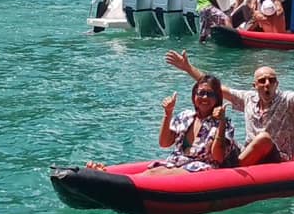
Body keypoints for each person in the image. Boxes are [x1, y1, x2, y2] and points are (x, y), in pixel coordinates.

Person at [165, 48, 294, 165]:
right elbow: (215, 88)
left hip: (277, 157)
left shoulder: (288, 100)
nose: (267, 84)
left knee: (263, 138)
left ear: (277, 84)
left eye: (271, 80)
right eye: (262, 81)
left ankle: (230, 169)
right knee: (227, 141)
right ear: (254, 85)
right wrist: (189, 68)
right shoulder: (248, 99)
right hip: (249, 155)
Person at [87, 75, 240, 174]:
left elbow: (218, 157)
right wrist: (168, 114)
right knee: (153, 172)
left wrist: (220, 123)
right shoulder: (185, 116)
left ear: (217, 99)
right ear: (194, 97)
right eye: (201, 93)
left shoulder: (223, 124)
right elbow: (164, 143)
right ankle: (105, 174)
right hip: (177, 162)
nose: (204, 97)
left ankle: (115, 182)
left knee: (166, 174)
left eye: (210, 94)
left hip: (202, 169)